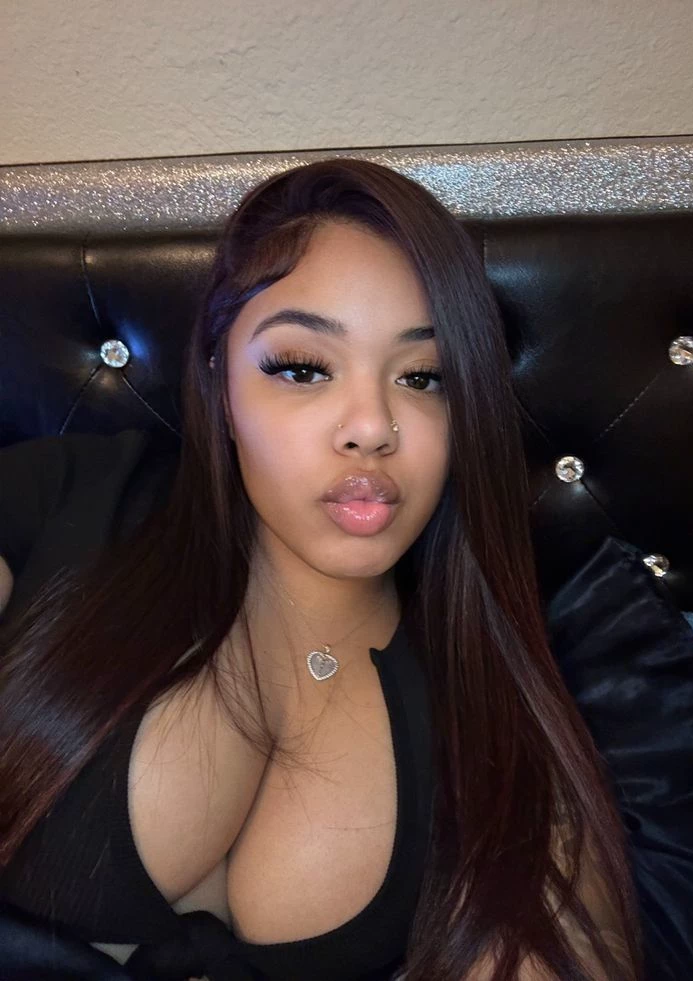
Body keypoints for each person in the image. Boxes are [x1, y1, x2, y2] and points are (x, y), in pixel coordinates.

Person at [0, 159, 644, 980]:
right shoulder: (71, 500)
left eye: (425, 377)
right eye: (303, 367)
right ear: (219, 380)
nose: (372, 427)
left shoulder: (497, 692)